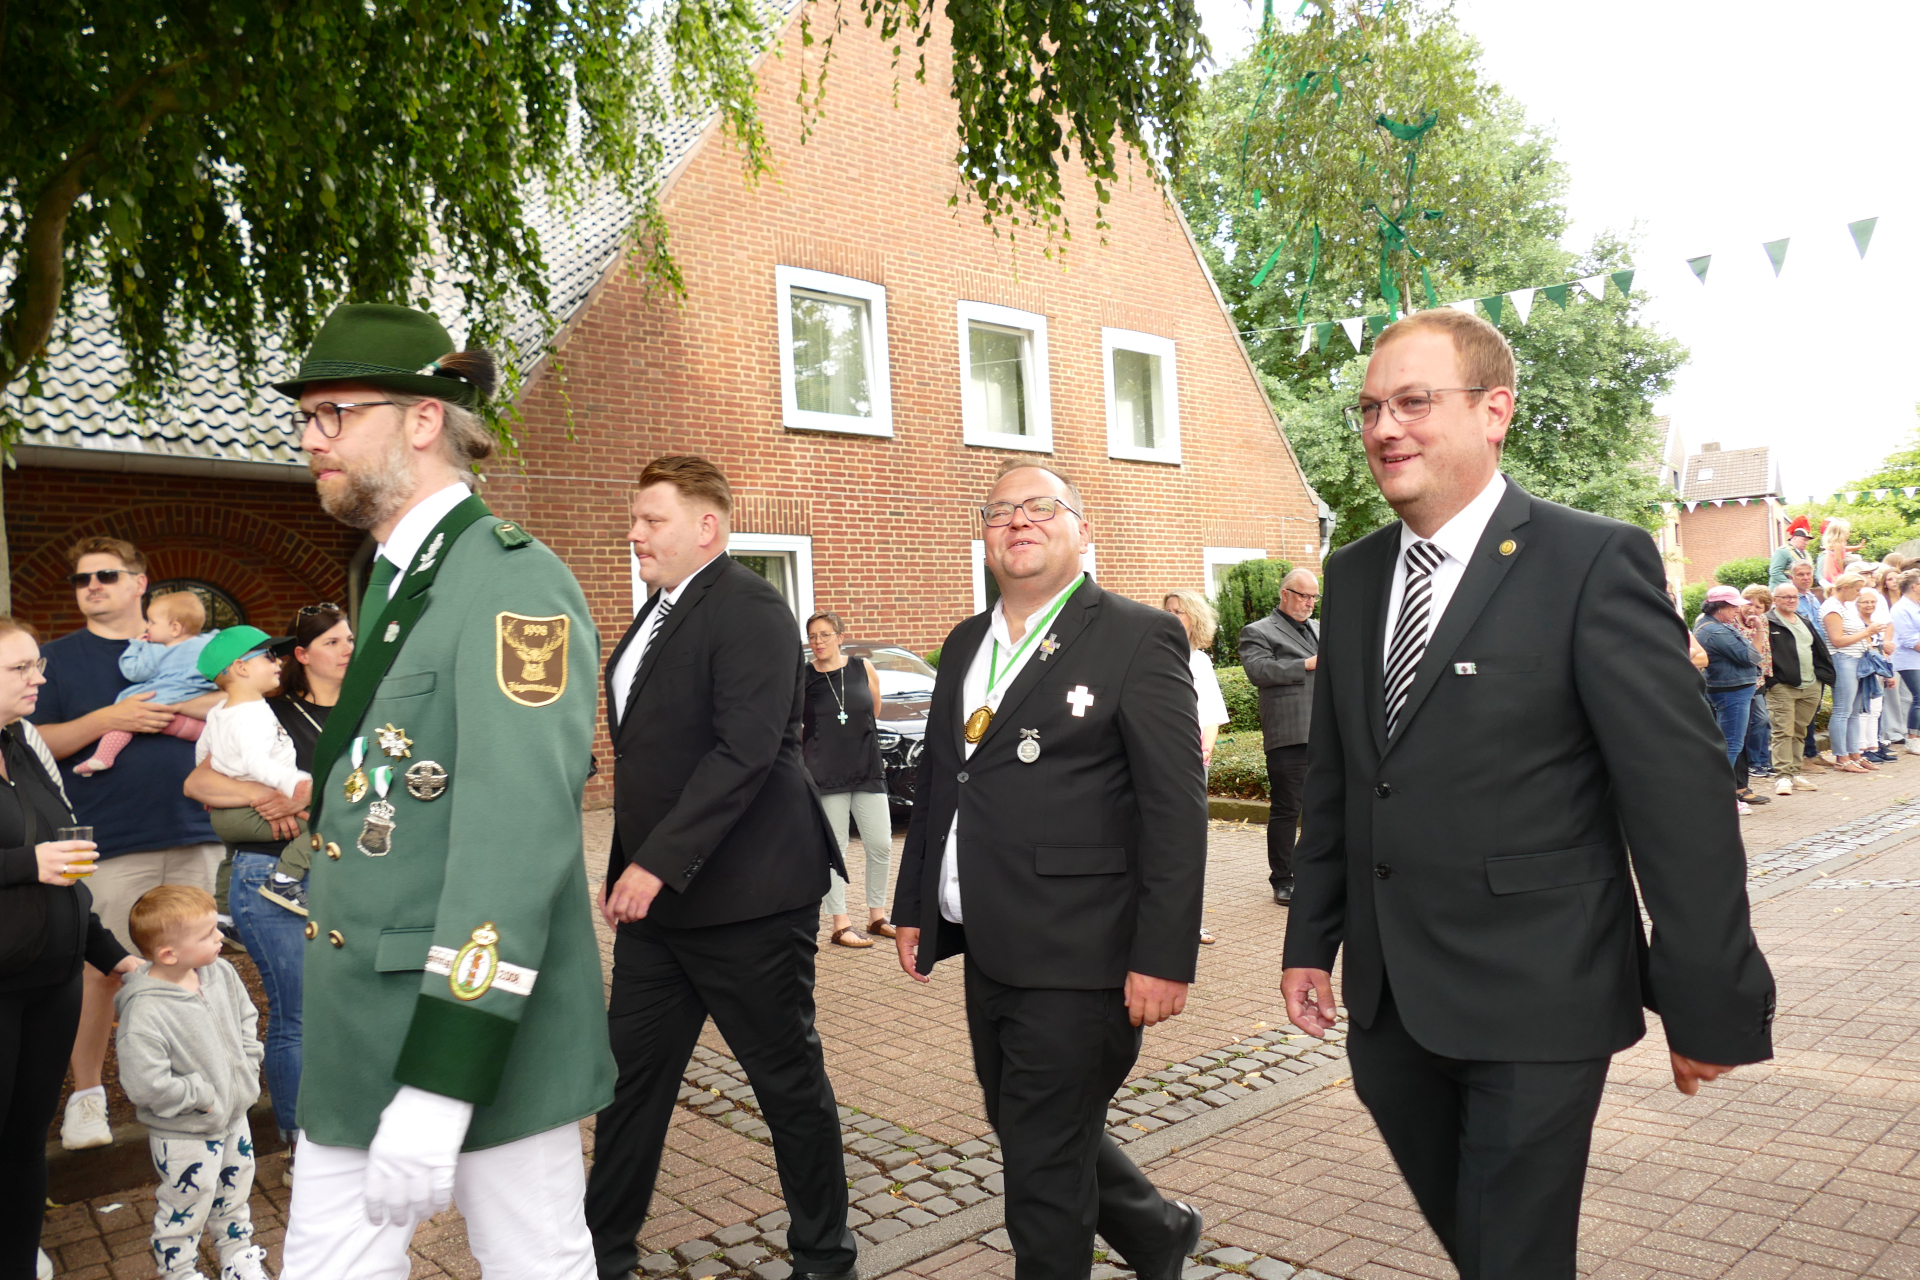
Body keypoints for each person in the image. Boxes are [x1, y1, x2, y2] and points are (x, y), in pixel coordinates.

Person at [1281, 309, 1774, 1280]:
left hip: (1540, 995)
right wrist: (1310, 940)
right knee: (1491, 1253)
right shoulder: (1355, 574)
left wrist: (1705, 1001)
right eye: (1371, 408)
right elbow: (1340, 780)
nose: (1385, 428)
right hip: (1390, 1011)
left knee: (1511, 1253)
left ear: (1494, 410)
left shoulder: (1591, 560)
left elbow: (1678, 801)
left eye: (1413, 402)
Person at [274, 302, 611, 1278]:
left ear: (424, 419)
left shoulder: (508, 581)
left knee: (535, 1264)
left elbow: (516, 838)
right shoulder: (397, 580)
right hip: (362, 1023)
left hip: (474, 1032)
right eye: (306, 417)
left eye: (335, 413)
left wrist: (441, 1077)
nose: (311, 438)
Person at [894, 462, 1209, 1280]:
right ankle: (1157, 1234)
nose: (1018, 521)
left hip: (1083, 953)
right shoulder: (965, 642)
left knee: (1040, 1175)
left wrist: (1164, 956)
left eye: (1042, 507)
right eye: (1000, 510)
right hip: (989, 944)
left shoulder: (1139, 636)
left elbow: (1176, 812)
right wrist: (914, 902)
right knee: (1030, 1124)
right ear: (983, 537)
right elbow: (942, 781)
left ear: (1082, 528)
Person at [589, 455, 853, 1280]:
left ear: (707, 526)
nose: (635, 534)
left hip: (750, 901)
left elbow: (745, 752)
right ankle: (600, 1253)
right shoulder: (658, 611)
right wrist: (630, 867)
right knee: (628, 1083)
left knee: (786, 1083)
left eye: (652, 520)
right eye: (634, 520)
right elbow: (653, 755)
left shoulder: (752, 607)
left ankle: (824, 1257)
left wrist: (653, 864)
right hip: (662, 913)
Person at [30, 536, 222, 1151]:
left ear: (140, 582)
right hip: (106, 840)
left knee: (195, 967)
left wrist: (175, 704)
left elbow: (237, 702)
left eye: (106, 575)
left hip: (194, 830)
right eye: (81, 579)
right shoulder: (55, 658)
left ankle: (198, 1086)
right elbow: (31, 742)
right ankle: (87, 1098)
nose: (91, 586)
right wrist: (107, 721)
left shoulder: (194, 647)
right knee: (100, 974)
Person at [0, 616, 141, 1280]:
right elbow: (40, 862)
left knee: (25, 1142)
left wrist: (113, 956)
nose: (39, 677)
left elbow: (69, 872)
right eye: (20, 668)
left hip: (52, 982)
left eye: (37, 664)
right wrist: (25, 864)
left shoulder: (24, 742)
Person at [183, 605, 351, 1151]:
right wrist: (266, 793)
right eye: (333, 641)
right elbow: (199, 782)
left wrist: (301, 799)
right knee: (298, 1012)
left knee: (350, 1003)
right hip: (272, 864)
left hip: (351, 869)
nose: (348, 648)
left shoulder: (374, 711)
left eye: (351, 638)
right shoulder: (262, 709)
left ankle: (349, 1127)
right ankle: (303, 1142)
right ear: (304, 654)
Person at [114, 884, 270, 1280]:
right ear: (169, 954)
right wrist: (202, 1098)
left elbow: (247, 1018)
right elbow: (145, 1083)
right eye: (207, 933)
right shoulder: (145, 1011)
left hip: (235, 1116)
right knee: (186, 1205)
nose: (220, 936)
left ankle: (237, 1257)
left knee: (234, 1193)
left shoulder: (220, 972)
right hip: (185, 1132)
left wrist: (248, 1064)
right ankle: (179, 1270)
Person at [803, 610, 895, 949]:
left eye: (825, 634)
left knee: (881, 844)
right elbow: (795, 722)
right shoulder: (804, 676)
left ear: (840, 637)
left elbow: (874, 710)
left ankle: (877, 917)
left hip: (867, 767)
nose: (818, 642)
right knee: (835, 848)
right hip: (825, 773)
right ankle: (840, 924)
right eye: (813, 636)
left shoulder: (862, 668)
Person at [1237, 570, 1319, 906]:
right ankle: (1283, 879)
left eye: (1314, 597)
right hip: (1290, 734)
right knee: (1288, 809)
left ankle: (1314, 873)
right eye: (1303, 595)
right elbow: (1258, 670)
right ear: (1285, 593)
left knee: (1321, 808)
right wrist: (1306, 665)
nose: (1309, 603)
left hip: (1327, 734)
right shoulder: (1258, 631)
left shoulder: (1321, 628)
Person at [73, 591, 215, 776]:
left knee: (124, 722)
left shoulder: (155, 652)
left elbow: (133, 672)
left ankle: (103, 756)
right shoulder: (208, 644)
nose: (147, 626)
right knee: (207, 734)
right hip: (199, 702)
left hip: (162, 702)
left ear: (175, 628)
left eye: (152, 622)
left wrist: (136, 646)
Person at [1163, 590, 1228, 944]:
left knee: (1189, 845)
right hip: (1157, 758)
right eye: (1168, 610)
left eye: (1180, 612)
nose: (1172, 616)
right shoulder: (1152, 653)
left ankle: (1191, 922)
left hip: (1191, 762)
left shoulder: (1200, 662)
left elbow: (1212, 716)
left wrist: (1204, 752)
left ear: (1195, 619)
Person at [1693, 592, 1761, 815]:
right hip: (1732, 691)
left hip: (1732, 689)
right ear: (1720, 607)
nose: (1737, 611)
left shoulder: (1714, 626)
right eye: (1733, 607)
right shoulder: (1716, 630)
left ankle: (1719, 794)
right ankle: (1721, 797)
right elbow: (1751, 657)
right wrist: (1760, 631)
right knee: (1732, 744)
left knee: (1730, 743)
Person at [1764, 583, 1830, 798]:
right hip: (1782, 686)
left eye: (1794, 597)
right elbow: (1762, 653)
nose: (1792, 600)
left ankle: (1794, 772)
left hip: (1810, 685)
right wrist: (1772, 682)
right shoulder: (1767, 622)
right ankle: (1783, 776)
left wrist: (1820, 678)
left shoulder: (1804, 620)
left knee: (1800, 731)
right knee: (1783, 731)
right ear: (1775, 599)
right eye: (1786, 597)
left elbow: (1816, 650)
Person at [1820, 573, 1886, 774]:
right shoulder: (1831, 607)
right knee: (1842, 709)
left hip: (1856, 660)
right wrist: (1867, 632)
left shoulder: (1845, 606)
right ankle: (1841, 757)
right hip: (1843, 659)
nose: (1858, 595)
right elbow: (1837, 640)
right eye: (1857, 590)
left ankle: (1855, 754)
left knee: (1856, 710)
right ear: (1846, 587)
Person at [1788, 560, 1829, 765]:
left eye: (1808, 574)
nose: (1805, 578)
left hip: (1818, 658)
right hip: (1802, 658)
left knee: (1814, 707)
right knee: (1803, 710)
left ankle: (1811, 753)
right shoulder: (1791, 600)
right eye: (1800, 574)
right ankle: (1804, 756)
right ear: (1791, 577)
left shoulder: (1813, 598)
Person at [1736, 584, 1775, 795]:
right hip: (1744, 678)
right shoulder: (1733, 622)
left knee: (1764, 721)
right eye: (1748, 604)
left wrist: (1768, 673)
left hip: (1760, 677)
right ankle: (1753, 762)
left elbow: (1766, 649)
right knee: (1758, 719)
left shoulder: (1764, 621)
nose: (1752, 610)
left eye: (1758, 607)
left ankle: (1762, 761)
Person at [1892, 572, 1920, 755]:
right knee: (1919, 697)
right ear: (1915, 587)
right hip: (1908, 660)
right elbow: (1908, 638)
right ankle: (1912, 739)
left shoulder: (1916, 605)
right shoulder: (1901, 608)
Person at [1770, 517, 1814, 586]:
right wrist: (1791, 584)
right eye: (1804, 540)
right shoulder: (1782, 551)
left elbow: (1813, 572)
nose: (1806, 543)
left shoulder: (1807, 554)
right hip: (1782, 589)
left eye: (1807, 540)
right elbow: (1775, 572)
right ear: (1795, 538)